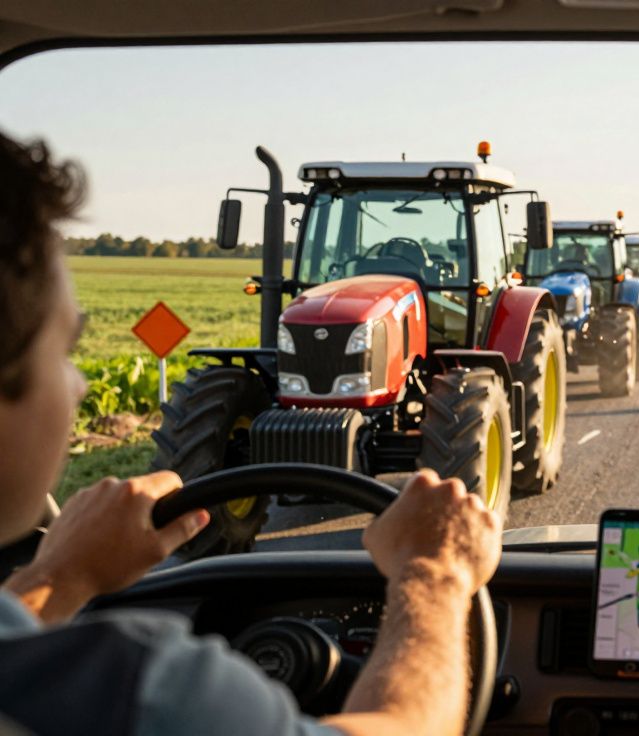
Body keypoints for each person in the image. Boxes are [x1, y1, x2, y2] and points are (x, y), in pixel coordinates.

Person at [0, 132, 501, 735]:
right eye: (66, 349)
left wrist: (58, 578)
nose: (78, 385)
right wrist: (435, 572)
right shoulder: (138, 685)